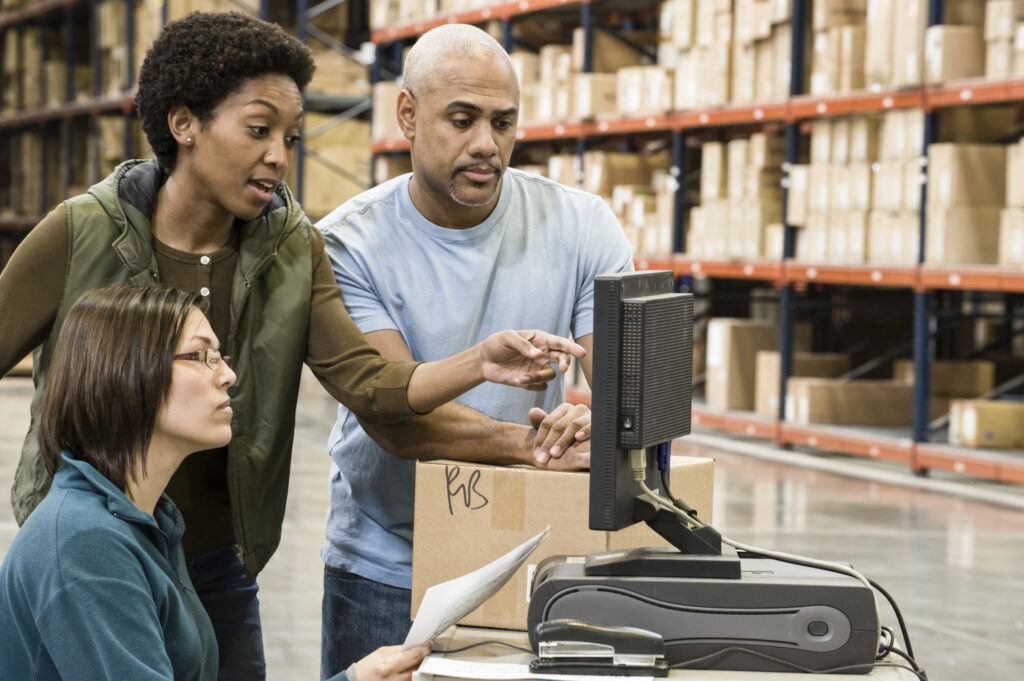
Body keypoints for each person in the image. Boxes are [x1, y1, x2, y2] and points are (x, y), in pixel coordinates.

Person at [0, 13, 583, 681]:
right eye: (258, 130)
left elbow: (368, 381)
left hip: (214, 555)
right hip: (99, 538)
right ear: (185, 123)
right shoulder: (80, 232)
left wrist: (477, 362)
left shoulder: (291, 246)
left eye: (291, 136)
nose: (281, 154)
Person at [316, 23, 634, 678]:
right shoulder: (348, 244)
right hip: (385, 568)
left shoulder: (580, 224)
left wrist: (596, 421)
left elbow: (628, 390)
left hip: (526, 557)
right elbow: (395, 418)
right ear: (407, 114)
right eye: (461, 120)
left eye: (503, 122)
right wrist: (538, 446)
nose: (486, 144)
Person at [0, 285, 432, 681]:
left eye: (220, 356)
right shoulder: (85, 544)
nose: (227, 374)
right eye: (201, 356)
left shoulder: (147, 521)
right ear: (129, 371)